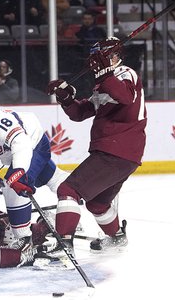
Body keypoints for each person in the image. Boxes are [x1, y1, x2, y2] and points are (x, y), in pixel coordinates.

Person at [45, 36, 147, 254]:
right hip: (122, 153)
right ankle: (116, 237)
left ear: (114, 57)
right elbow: (81, 113)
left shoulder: (125, 74)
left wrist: (106, 74)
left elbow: (125, 97)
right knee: (98, 203)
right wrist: (66, 98)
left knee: (69, 189)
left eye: (99, 58)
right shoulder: (104, 83)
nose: (94, 62)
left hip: (116, 149)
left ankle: (63, 247)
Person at [0, 88, 70, 250]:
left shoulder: (4, 122)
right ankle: (73, 197)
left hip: (34, 143)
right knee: (50, 178)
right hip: (16, 154)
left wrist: (18, 173)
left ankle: (24, 239)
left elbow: (22, 146)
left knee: (11, 188)